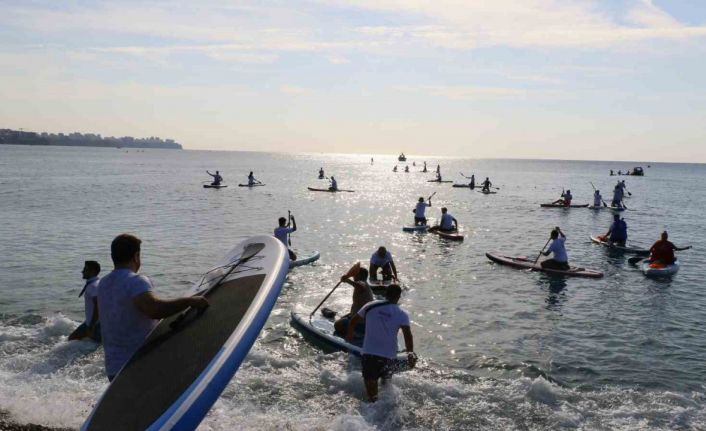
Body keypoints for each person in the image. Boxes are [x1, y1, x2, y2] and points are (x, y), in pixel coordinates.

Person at [98, 234, 209, 381]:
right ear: (136, 256)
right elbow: (155, 310)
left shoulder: (103, 284)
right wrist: (189, 301)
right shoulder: (135, 281)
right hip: (139, 363)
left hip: (113, 368)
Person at [346, 284, 416, 402]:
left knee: (372, 397)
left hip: (370, 355)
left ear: (386, 294)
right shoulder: (402, 314)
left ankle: (372, 413)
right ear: (398, 297)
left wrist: (350, 335)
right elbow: (407, 336)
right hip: (389, 357)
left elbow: (353, 321)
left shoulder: (370, 306)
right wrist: (410, 354)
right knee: (386, 388)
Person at [333, 266, 373, 337]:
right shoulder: (366, 286)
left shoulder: (362, 283)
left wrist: (347, 280)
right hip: (361, 318)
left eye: (355, 275)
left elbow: (361, 286)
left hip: (361, 323)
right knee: (342, 318)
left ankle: (355, 334)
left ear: (360, 276)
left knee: (337, 325)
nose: (353, 276)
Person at [68, 260, 102, 342]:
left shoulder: (94, 286)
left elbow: (98, 306)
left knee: (95, 347)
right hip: (90, 322)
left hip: (96, 325)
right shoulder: (94, 284)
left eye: (85, 269)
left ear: (92, 271)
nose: (82, 271)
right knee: (72, 339)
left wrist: (92, 326)